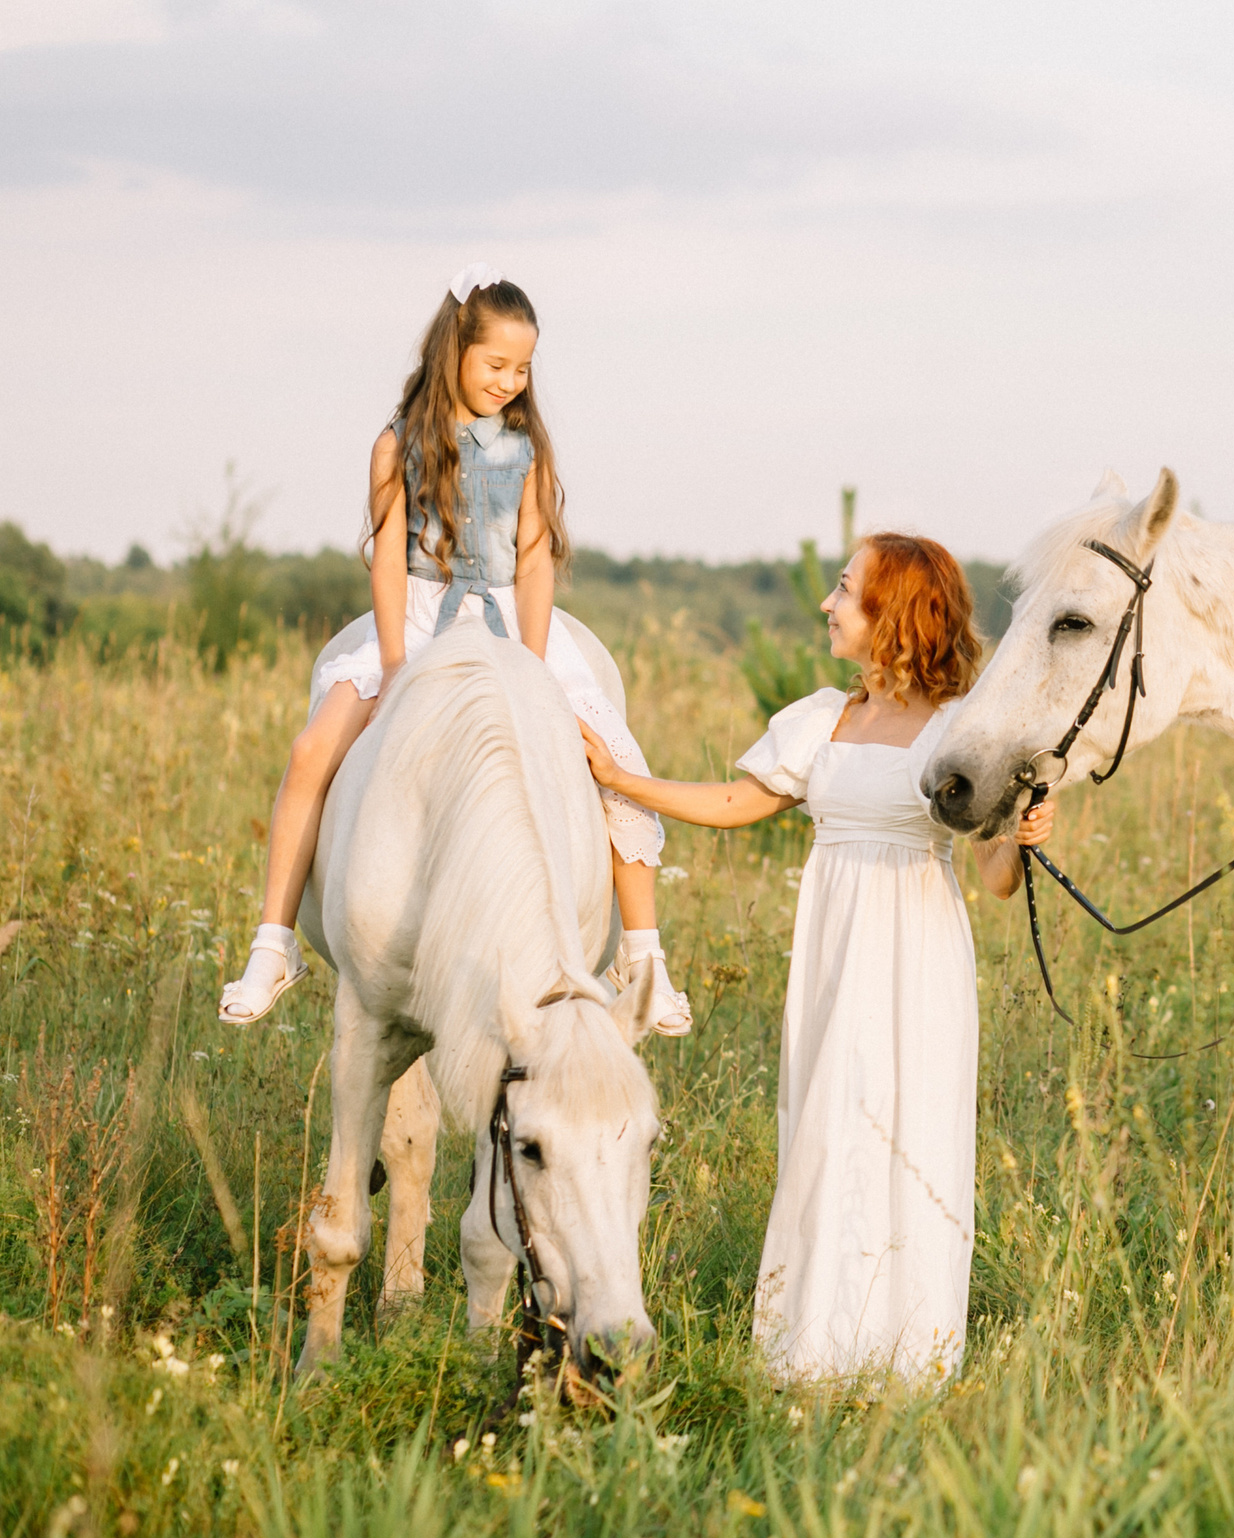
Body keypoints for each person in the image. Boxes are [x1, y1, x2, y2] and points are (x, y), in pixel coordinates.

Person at [581, 532, 1053, 1386]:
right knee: (828, 1125)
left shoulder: (961, 731)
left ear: (894, 613)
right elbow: (738, 800)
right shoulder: (823, 717)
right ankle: (812, 1346)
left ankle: (910, 1351)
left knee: (911, 1124)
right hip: (836, 947)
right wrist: (622, 779)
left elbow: (991, 875)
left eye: (845, 589)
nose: (827, 604)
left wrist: (1019, 835)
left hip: (917, 950)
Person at [216, 265, 690, 1037]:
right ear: (454, 353)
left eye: (523, 368)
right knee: (312, 752)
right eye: (496, 364)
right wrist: (398, 660)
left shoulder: (526, 447)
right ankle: (275, 940)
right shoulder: (394, 444)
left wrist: (533, 666)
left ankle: (642, 955)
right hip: (417, 612)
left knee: (616, 762)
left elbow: (533, 558)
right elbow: (386, 556)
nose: (510, 381)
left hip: (509, 618)